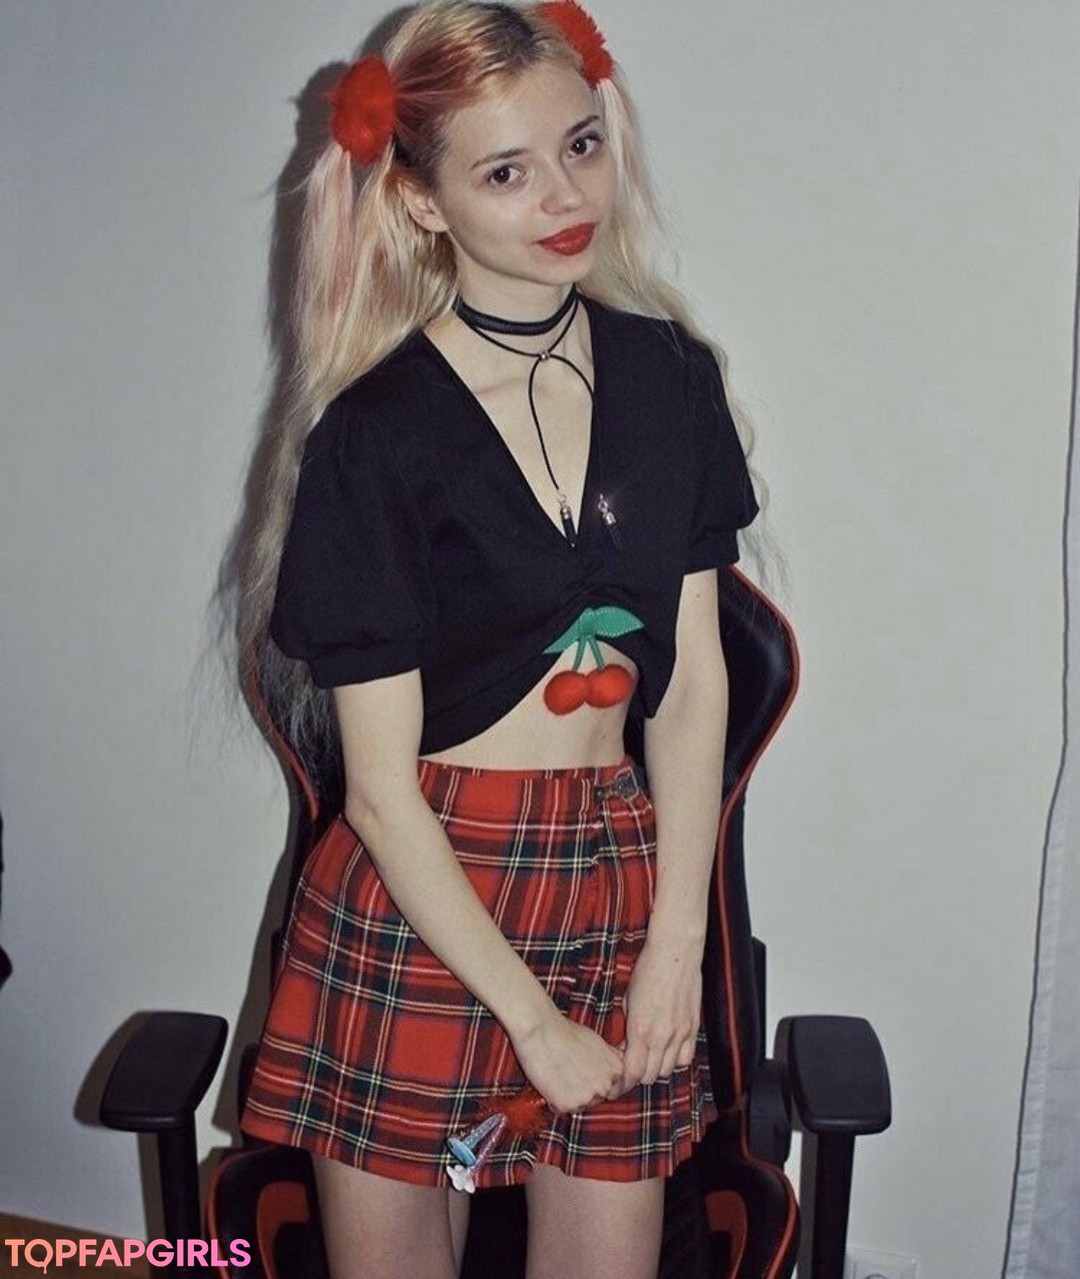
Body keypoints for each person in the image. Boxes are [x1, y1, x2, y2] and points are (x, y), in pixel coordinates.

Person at [237, 3, 758, 1277]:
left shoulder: (671, 379)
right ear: (423, 202)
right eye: (506, 173)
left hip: (614, 873)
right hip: (426, 891)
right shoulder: (377, 433)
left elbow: (693, 686)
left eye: (581, 145)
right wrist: (529, 1020)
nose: (565, 197)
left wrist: (677, 945)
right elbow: (376, 789)